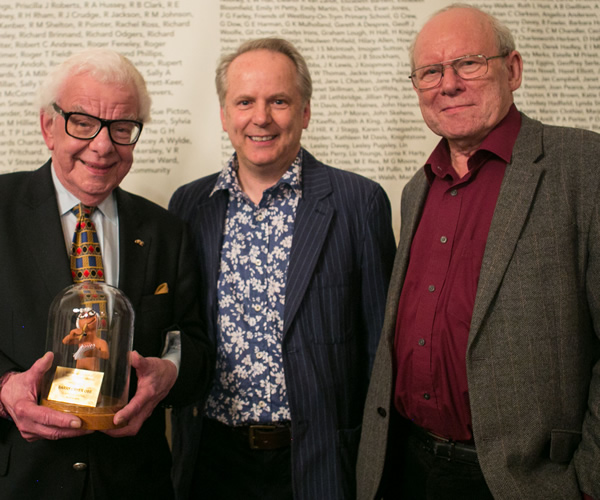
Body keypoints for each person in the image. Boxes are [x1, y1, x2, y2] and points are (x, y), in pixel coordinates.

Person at [356, 3, 600, 500]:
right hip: (407, 464)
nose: (448, 84)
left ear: (512, 69)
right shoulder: (416, 189)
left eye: (468, 63)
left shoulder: (582, 167)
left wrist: (586, 483)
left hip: (521, 481)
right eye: (430, 72)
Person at [169, 38, 396, 500]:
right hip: (211, 460)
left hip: (318, 462)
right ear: (224, 114)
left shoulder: (359, 203)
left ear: (305, 112)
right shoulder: (190, 206)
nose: (261, 117)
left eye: (279, 101)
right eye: (245, 102)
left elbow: (381, 351)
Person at [0, 48, 212, 499]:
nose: (102, 145)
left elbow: (192, 344)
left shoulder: (167, 231)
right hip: (20, 481)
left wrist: (168, 373)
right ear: (48, 126)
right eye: (82, 121)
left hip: (134, 484)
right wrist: (4, 390)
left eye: (121, 128)